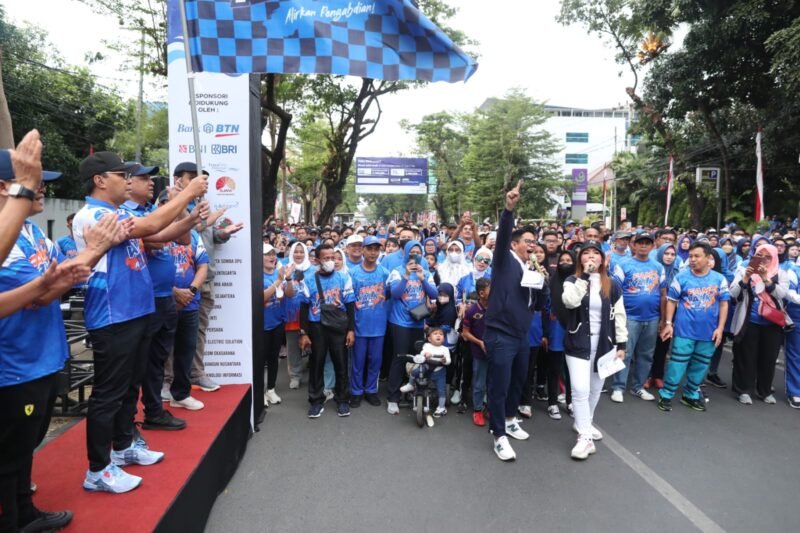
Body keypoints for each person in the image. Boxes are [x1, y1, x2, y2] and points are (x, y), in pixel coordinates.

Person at [0, 142, 120, 532]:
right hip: (13, 364)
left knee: (24, 448)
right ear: (6, 187)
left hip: (46, 355)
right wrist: (46, 286)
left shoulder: (33, 232)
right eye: (35, 182)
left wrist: (92, 253)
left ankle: (26, 512)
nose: (44, 189)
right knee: (9, 453)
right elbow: (35, 294)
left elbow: (55, 283)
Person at [74, 152, 208, 493]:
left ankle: (122, 447)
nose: (129, 180)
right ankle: (98, 469)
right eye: (122, 175)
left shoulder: (115, 212)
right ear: (101, 180)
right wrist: (188, 193)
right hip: (112, 314)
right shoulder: (94, 215)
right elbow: (149, 227)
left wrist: (190, 218)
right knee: (108, 394)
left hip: (134, 311)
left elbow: (159, 235)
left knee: (127, 387)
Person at [483, 181, 546, 461]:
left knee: (518, 380)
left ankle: (509, 419)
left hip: (522, 334)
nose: (532, 246)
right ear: (514, 244)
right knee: (499, 384)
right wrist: (509, 209)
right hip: (500, 333)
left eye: (534, 242)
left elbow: (538, 302)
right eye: (527, 242)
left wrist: (542, 279)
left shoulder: (531, 266)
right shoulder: (503, 261)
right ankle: (498, 435)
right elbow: (505, 230)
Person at [173, 162, 244, 394]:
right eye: (192, 176)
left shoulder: (201, 205)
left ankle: (196, 373)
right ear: (178, 180)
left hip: (205, 279)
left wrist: (223, 233)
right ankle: (167, 380)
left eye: (201, 177)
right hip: (179, 281)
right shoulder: (169, 201)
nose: (199, 181)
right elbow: (173, 232)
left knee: (199, 329)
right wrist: (206, 220)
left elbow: (209, 235)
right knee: (171, 331)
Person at [562, 241, 627, 460]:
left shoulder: (612, 284)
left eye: (595, 253)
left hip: (604, 344)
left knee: (595, 388)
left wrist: (622, 344)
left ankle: (585, 423)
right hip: (578, 342)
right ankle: (585, 438)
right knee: (580, 389)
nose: (590, 257)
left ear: (603, 259)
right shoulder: (572, 280)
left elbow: (619, 316)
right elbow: (570, 302)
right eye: (586, 253)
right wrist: (583, 279)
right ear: (580, 259)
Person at [658, 243, 730, 412]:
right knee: (677, 364)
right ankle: (666, 395)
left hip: (708, 333)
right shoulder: (681, 277)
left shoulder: (719, 279)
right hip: (684, 331)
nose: (692, 260)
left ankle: (690, 395)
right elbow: (672, 301)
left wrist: (720, 329)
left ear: (708, 258)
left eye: (697, 256)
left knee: (700, 365)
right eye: (690, 256)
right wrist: (668, 323)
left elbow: (724, 305)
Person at [298, 244, 356, 418]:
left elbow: (351, 305)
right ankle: (316, 400)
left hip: (339, 326)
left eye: (333, 257)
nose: (331, 261)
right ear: (317, 260)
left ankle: (343, 400)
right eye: (326, 258)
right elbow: (303, 307)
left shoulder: (344, 278)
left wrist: (351, 330)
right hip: (317, 326)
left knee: (341, 363)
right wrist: (304, 333)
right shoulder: (308, 280)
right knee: (317, 363)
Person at [729, 243, 788, 405]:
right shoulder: (743, 270)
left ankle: (764, 390)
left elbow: (782, 294)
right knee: (746, 356)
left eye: (768, 256)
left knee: (768, 358)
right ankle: (743, 390)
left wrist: (765, 278)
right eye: (760, 256)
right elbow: (732, 294)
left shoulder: (781, 274)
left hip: (772, 323)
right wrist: (746, 278)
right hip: (749, 321)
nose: (764, 260)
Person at [610, 232, 665, 403]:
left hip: (652, 317)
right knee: (624, 353)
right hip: (629, 317)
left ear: (652, 245)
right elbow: (614, 291)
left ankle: (638, 387)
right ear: (633, 245)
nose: (643, 245)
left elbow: (663, 293)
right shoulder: (623, 265)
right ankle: (618, 387)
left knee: (646, 354)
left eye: (647, 243)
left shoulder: (658, 267)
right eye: (639, 242)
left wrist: (664, 319)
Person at [385, 240, 438, 415]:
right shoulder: (397, 271)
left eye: (418, 252)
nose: (415, 255)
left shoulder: (425, 271)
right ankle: (393, 398)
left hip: (418, 320)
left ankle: (413, 393)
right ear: (406, 253)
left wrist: (422, 278)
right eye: (412, 252)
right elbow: (395, 294)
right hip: (400, 322)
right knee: (400, 358)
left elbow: (434, 294)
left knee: (417, 359)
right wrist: (406, 275)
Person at [162, 214, 209, 411]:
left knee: (186, 350)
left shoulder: (195, 237)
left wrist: (190, 291)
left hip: (190, 303)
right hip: (164, 301)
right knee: (160, 350)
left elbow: (203, 266)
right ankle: (158, 392)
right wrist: (174, 292)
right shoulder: (158, 233)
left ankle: (181, 394)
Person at [348, 236, 389, 407]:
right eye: (370, 249)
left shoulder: (384, 273)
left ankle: (371, 390)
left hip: (379, 326)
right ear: (363, 250)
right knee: (358, 361)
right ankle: (356, 391)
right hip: (359, 325)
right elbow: (349, 302)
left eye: (376, 249)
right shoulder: (353, 273)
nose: (373, 253)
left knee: (375, 360)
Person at [262, 244, 293, 407]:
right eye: (267, 254)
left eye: (273, 254)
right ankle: (259, 392)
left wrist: (287, 279)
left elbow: (289, 294)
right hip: (262, 325)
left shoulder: (278, 273)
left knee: (274, 358)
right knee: (261, 360)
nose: (271, 257)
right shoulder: (256, 275)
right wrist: (278, 281)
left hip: (277, 322)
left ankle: (271, 389)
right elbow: (262, 298)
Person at [546, 249, 575, 420]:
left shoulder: (578, 281)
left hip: (574, 327)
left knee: (572, 368)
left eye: (569, 260)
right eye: (562, 260)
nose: (565, 263)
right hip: (556, 328)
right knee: (554, 368)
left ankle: (571, 401)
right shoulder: (552, 281)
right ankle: (552, 402)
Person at [400, 327, 451, 417]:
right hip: (427, 367)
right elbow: (422, 353)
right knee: (415, 371)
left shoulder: (445, 349)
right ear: (429, 339)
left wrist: (444, 360)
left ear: (444, 338)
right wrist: (425, 354)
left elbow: (448, 361)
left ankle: (441, 407)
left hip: (439, 371)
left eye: (441, 334)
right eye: (435, 334)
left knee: (441, 390)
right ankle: (411, 384)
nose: (438, 335)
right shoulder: (427, 346)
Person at [462, 277, 491, 426]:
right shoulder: (472, 310)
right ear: (481, 293)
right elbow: (465, 333)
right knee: (479, 383)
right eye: (490, 289)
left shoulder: (497, 308)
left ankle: (489, 407)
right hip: (480, 354)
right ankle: (478, 410)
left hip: (496, 352)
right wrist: (480, 343)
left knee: (493, 382)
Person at [649, 243, 679, 389]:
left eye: (672, 254)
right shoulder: (653, 269)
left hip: (670, 314)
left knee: (663, 345)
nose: (669, 257)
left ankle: (658, 375)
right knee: (649, 346)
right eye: (666, 253)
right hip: (654, 311)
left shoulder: (678, 272)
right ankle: (647, 376)